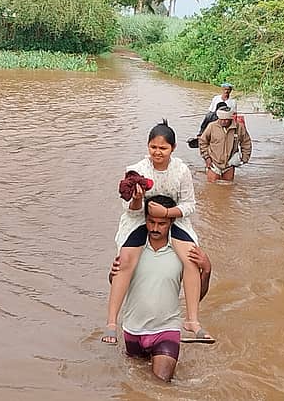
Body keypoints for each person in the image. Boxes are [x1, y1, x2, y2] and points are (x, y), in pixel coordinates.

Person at [102, 121, 214, 345]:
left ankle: (192, 320)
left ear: (173, 148)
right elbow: (128, 208)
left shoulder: (181, 170)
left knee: (191, 260)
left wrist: (168, 212)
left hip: (174, 220)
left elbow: (190, 204)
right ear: (147, 146)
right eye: (153, 147)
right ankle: (112, 322)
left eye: (163, 148)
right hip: (140, 220)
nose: (157, 152)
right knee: (124, 261)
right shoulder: (137, 171)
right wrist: (136, 200)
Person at [108, 195, 213, 382]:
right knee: (134, 384)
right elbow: (116, 283)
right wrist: (113, 271)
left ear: (171, 222)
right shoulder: (134, 249)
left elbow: (196, 297)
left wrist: (206, 271)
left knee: (160, 384)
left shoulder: (182, 254)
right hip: (133, 329)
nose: (155, 228)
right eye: (151, 222)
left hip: (167, 329)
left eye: (162, 223)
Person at [199, 107, 252, 182]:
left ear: (231, 118)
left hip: (230, 164)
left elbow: (246, 143)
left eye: (226, 119)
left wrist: (244, 158)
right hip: (213, 163)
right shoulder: (211, 126)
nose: (223, 121)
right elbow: (202, 142)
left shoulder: (239, 127)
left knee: (228, 187)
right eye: (221, 119)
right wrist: (207, 158)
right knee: (212, 186)